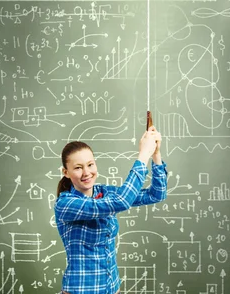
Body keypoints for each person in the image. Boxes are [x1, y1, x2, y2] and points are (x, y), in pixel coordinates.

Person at [54, 125, 167, 294]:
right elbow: (122, 201)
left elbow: (156, 195)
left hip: (112, 288)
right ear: (66, 172)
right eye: (78, 167)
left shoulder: (104, 192)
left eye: (90, 164)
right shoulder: (65, 204)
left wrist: (155, 154)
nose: (86, 172)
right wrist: (143, 155)